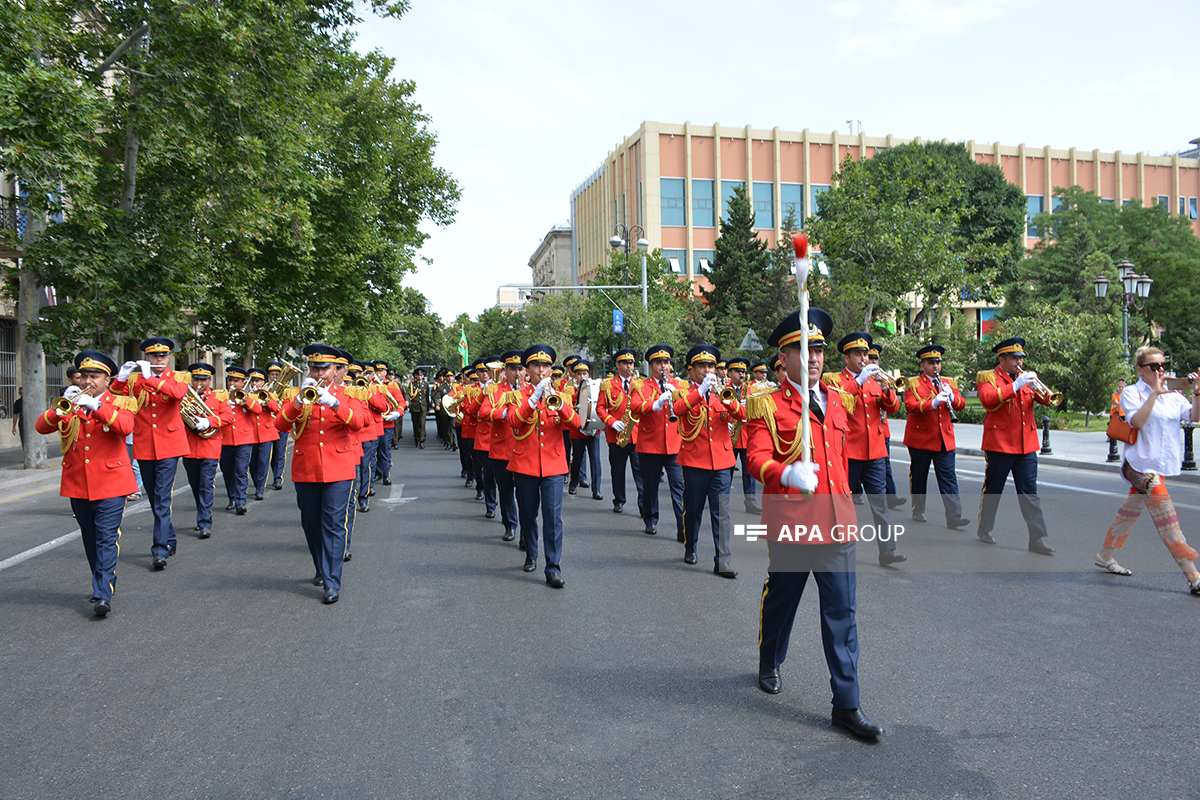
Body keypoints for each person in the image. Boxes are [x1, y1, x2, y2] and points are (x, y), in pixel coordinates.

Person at [746, 307, 885, 741]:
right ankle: (770, 658)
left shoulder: (840, 400)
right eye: (802, 350)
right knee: (782, 601)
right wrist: (785, 474)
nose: (814, 358)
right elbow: (754, 457)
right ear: (783, 358)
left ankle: (847, 705)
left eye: (819, 349)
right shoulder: (765, 403)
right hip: (792, 523)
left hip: (837, 523)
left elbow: (843, 459)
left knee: (842, 615)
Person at [34, 351, 137, 617]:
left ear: (107, 379)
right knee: (90, 539)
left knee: (105, 539)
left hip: (112, 483)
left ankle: (103, 593)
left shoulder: (119, 401)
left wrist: (96, 406)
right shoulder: (73, 403)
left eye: (94, 377)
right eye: (84, 376)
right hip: (79, 483)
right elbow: (40, 427)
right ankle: (102, 580)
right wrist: (60, 408)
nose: (87, 381)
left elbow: (125, 427)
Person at [1095, 347, 1200, 594]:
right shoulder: (1132, 393)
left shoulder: (1174, 394)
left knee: (1129, 512)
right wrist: (1155, 393)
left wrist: (1196, 393)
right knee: (1167, 517)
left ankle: (1105, 555)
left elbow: (1194, 417)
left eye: (1163, 364)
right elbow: (1137, 422)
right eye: (1154, 366)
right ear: (1140, 370)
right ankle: (1194, 576)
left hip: (1160, 467)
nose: (1160, 369)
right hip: (1139, 466)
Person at [276, 344, 364, 603]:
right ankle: (321, 567)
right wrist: (297, 401)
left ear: (335, 370)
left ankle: (332, 581)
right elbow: (280, 424)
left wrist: (335, 404)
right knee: (311, 524)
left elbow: (358, 423)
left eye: (323, 368)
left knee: (334, 524)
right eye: (314, 368)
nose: (318, 373)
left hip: (339, 468)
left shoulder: (349, 393)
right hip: (307, 468)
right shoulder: (299, 392)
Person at [507, 343, 583, 587]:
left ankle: (553, 567)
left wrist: (559, 405)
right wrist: (534, 399)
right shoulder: (517, 396)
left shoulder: (561, 395)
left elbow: (576, 423)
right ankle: (531, 553)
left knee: (552, 518)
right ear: (526, 370)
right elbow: (513, 422)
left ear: (551, 370)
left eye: (546, 366)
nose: (541, 370)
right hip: (525, 464)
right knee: (528, 515)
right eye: (536, 366)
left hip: (553, 465)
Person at [826, 331, 906, 567]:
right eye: (858, 354)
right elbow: (837, 403)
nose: (864, 359)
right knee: (842, 503)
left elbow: (892, 408)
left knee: (880, 503)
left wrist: (888, 389)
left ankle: (887, 550)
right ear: (846, 358)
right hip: (849, 451)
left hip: (875, 452)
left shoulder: (875, 380)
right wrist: (858, 382)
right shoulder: (837, 382)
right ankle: (837, 548)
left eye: (866, 354)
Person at [110, 337, 190, 570]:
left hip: (170, 445)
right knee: (155, 498)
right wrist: (122, 377)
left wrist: (151, 378)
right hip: (144, 444)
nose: (158, 359)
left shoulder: (179, 377)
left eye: (163, 356)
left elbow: (177, 394)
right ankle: (170, 538)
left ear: (169, 357)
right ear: (147, 357)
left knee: (162, 497)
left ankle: (159, 549)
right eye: (154, 356)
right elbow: (115, 397)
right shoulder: (136, 379)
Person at [975, 337, 1057, 554]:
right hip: (1000, 444)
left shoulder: (1026, 377)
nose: (1018, 362)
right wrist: (1015, 386)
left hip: (1026, 445)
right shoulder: (988, 378)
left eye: (1021, 357)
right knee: (994, 489)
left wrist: (1043, 391)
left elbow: (1047, 400)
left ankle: (1037, 538)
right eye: (1014, 358)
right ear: (1002, 359)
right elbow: (988, 401)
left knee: (1030, 492)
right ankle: (985, 529)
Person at [675, 343, 745, 577]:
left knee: (721, 512)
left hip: (722, 462)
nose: (707, 371)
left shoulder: (722, 391)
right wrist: (700, 392)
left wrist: (725, 398)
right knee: (693, 510)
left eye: (711, 366)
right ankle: (690, 546)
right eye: (702, 366)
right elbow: (677, 409)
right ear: (691, 371)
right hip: (694, 460)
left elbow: (742, 414)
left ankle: (722, 560)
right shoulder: (684, 391)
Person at [903, 344, 970, 528]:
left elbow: (961, 404)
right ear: (922, 365)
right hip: (921, 439)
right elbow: (910, 406)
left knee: (948, 476)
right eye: (931, 363)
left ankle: (954, 516)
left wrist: (953, 398)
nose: (935, 367)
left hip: (944, 438)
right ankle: (918, 509)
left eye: (938, 363)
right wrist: (932, 403)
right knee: (919, 475)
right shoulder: (913, 383)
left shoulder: (949, 382)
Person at [631, 344, 686, 540]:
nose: (663, 366)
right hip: (650, 444)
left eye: (666, 362)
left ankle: (683, 526)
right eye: (658, 363)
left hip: (674, 444)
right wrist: (656, 403)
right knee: (650, 486)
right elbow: (635, 406)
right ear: (651, 366)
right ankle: (651, 519)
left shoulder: (680, 385)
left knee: (678, 487)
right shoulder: (641, 385)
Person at [181, 363, 234, 539]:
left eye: (203, 379)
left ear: (210, 380)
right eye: (196, 379)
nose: (199, 382)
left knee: (206, 485)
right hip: (189, 448)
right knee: (195, 485)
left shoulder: (218, 398)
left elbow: (228, 417)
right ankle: (202, 513)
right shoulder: (185, 398)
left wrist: (209, 422)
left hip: (210, 448)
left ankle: (205, 522)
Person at [596, 348, 645, 517]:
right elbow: (600, 407)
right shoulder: (607, 385)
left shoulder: (640, 383)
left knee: (641, 474)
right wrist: (611, 421)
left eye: (631, 363)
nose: (629, 366)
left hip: (638, 435)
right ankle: (619, 500)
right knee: (617, 471)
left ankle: (643, 505)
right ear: (618, 365)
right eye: (625, 363)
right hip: (616, 436)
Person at [480, 350, 523, 540]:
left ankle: (526, 531)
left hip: (524, 450)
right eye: (513, 369)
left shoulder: (531, 390)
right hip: (502, 449)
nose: (517, 373)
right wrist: (503, 414)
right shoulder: (495, 390)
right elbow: (483, 412)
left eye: (520, 369)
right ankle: (510, 525)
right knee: (505, 492)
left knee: (525, 495)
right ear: (505, 370)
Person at [219, 366, 262, 517]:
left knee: (241, 471)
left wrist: (244, 400)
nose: (232, 383)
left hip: (244, 440)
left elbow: (257, 410)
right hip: (225, 440)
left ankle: (240, 502)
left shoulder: (249, 397)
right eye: (230, 379)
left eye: (236, 380)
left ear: (243, 383)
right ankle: (232, 497)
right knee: (227, 471)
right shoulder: (221, 397)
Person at [867, 344, 906, 510]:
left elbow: (894, 406)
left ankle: (891, 497)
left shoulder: (882, 379)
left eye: (876, 358)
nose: (874, 361)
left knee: (885, 465)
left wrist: (888, 390)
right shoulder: (863, 379)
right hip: (867, 431)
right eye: (871, 358)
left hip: (883, 429)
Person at [725, 357, 761, 514]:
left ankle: (751, 502)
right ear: (730, 373)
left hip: (747, 436)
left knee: (749, 472)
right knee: (726, 472)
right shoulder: (723, 389)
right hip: (728, 435)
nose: (741, 374)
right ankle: (723, 501)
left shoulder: (752, 390)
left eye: (744, 372)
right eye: (738, 371)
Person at [567, 360, 604, 500]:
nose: (582, 376)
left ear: (588, 374)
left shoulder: (596, 387)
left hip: (594, 429)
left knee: (595, 459)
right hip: (578, 430)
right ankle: (573, 483)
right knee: (577, 458)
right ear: (575, 376)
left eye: (584, 373)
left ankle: (596, 489)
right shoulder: (570, 390)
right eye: (579, 374)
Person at [246, 367, 280, 501]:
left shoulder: (269, 394)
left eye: (258, 381)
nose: (255, 383)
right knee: (252, 463)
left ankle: (260, 489)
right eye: (253, 380)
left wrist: (264, 397)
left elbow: (275, 408)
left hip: (266, 432)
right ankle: (257, 483)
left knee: (263, 461)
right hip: (250, 433)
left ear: (263, 382)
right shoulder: (244, 394)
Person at [265, 360, 292, 491]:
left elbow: (287, 406)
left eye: (277, 374)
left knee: (280, 453)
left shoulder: (286, 390)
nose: (274, 377)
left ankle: (278, 478)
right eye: (272, 374)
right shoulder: (264, 389)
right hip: (267, 425)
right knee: (269, 454)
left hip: (281, 425)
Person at [408, 368, 430, 448]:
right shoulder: (412, 385)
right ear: (415, 376)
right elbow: (408, 394)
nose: (420, 377)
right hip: (414, 407)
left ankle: (421, 441)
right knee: (416, 424)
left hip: (423, 407)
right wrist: (408, 403)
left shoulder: (426, 384)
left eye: (421, 375)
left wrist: (428, 407)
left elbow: (427, 397)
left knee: (422, 424)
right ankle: (417, 439)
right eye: (418, 375)